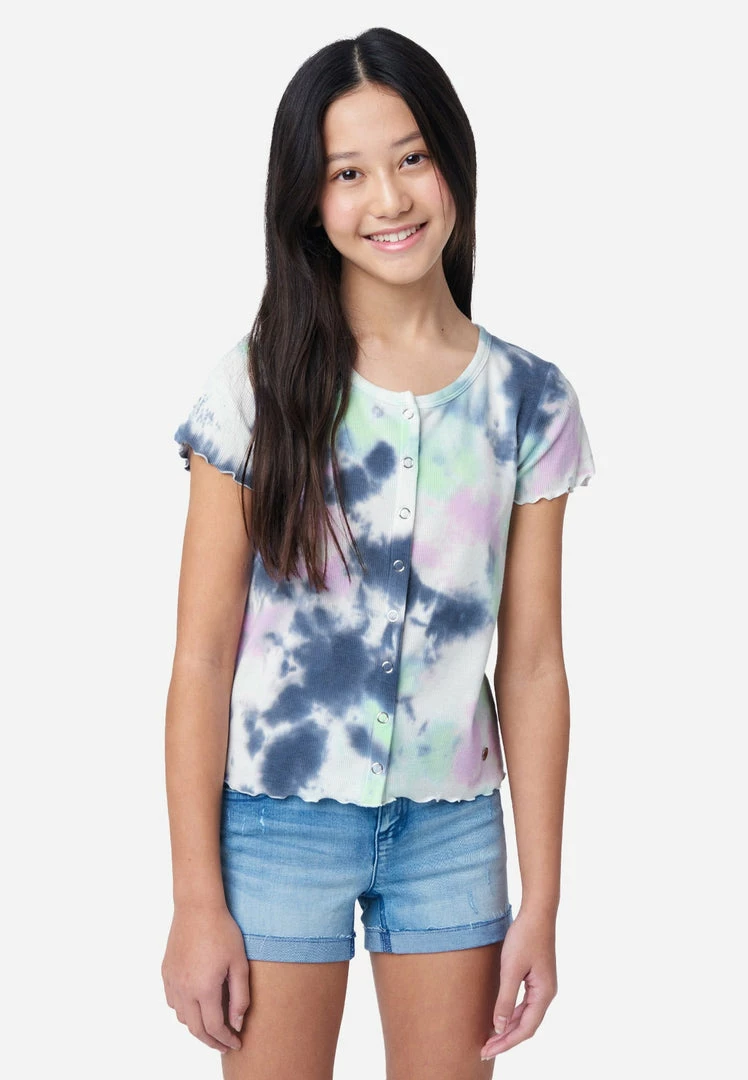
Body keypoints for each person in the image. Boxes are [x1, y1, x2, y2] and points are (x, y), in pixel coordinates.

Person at [161, 25, 595, 1080]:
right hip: (275, 823)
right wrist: (195, 901)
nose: (389, 199)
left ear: (453, 162)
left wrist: (540, 901)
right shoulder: (256, 388)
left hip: (451, 831)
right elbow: (202, 658)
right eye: (347, 173)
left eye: (411, 157)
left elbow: (533, 662)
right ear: (308, 200)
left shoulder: (530, 402)